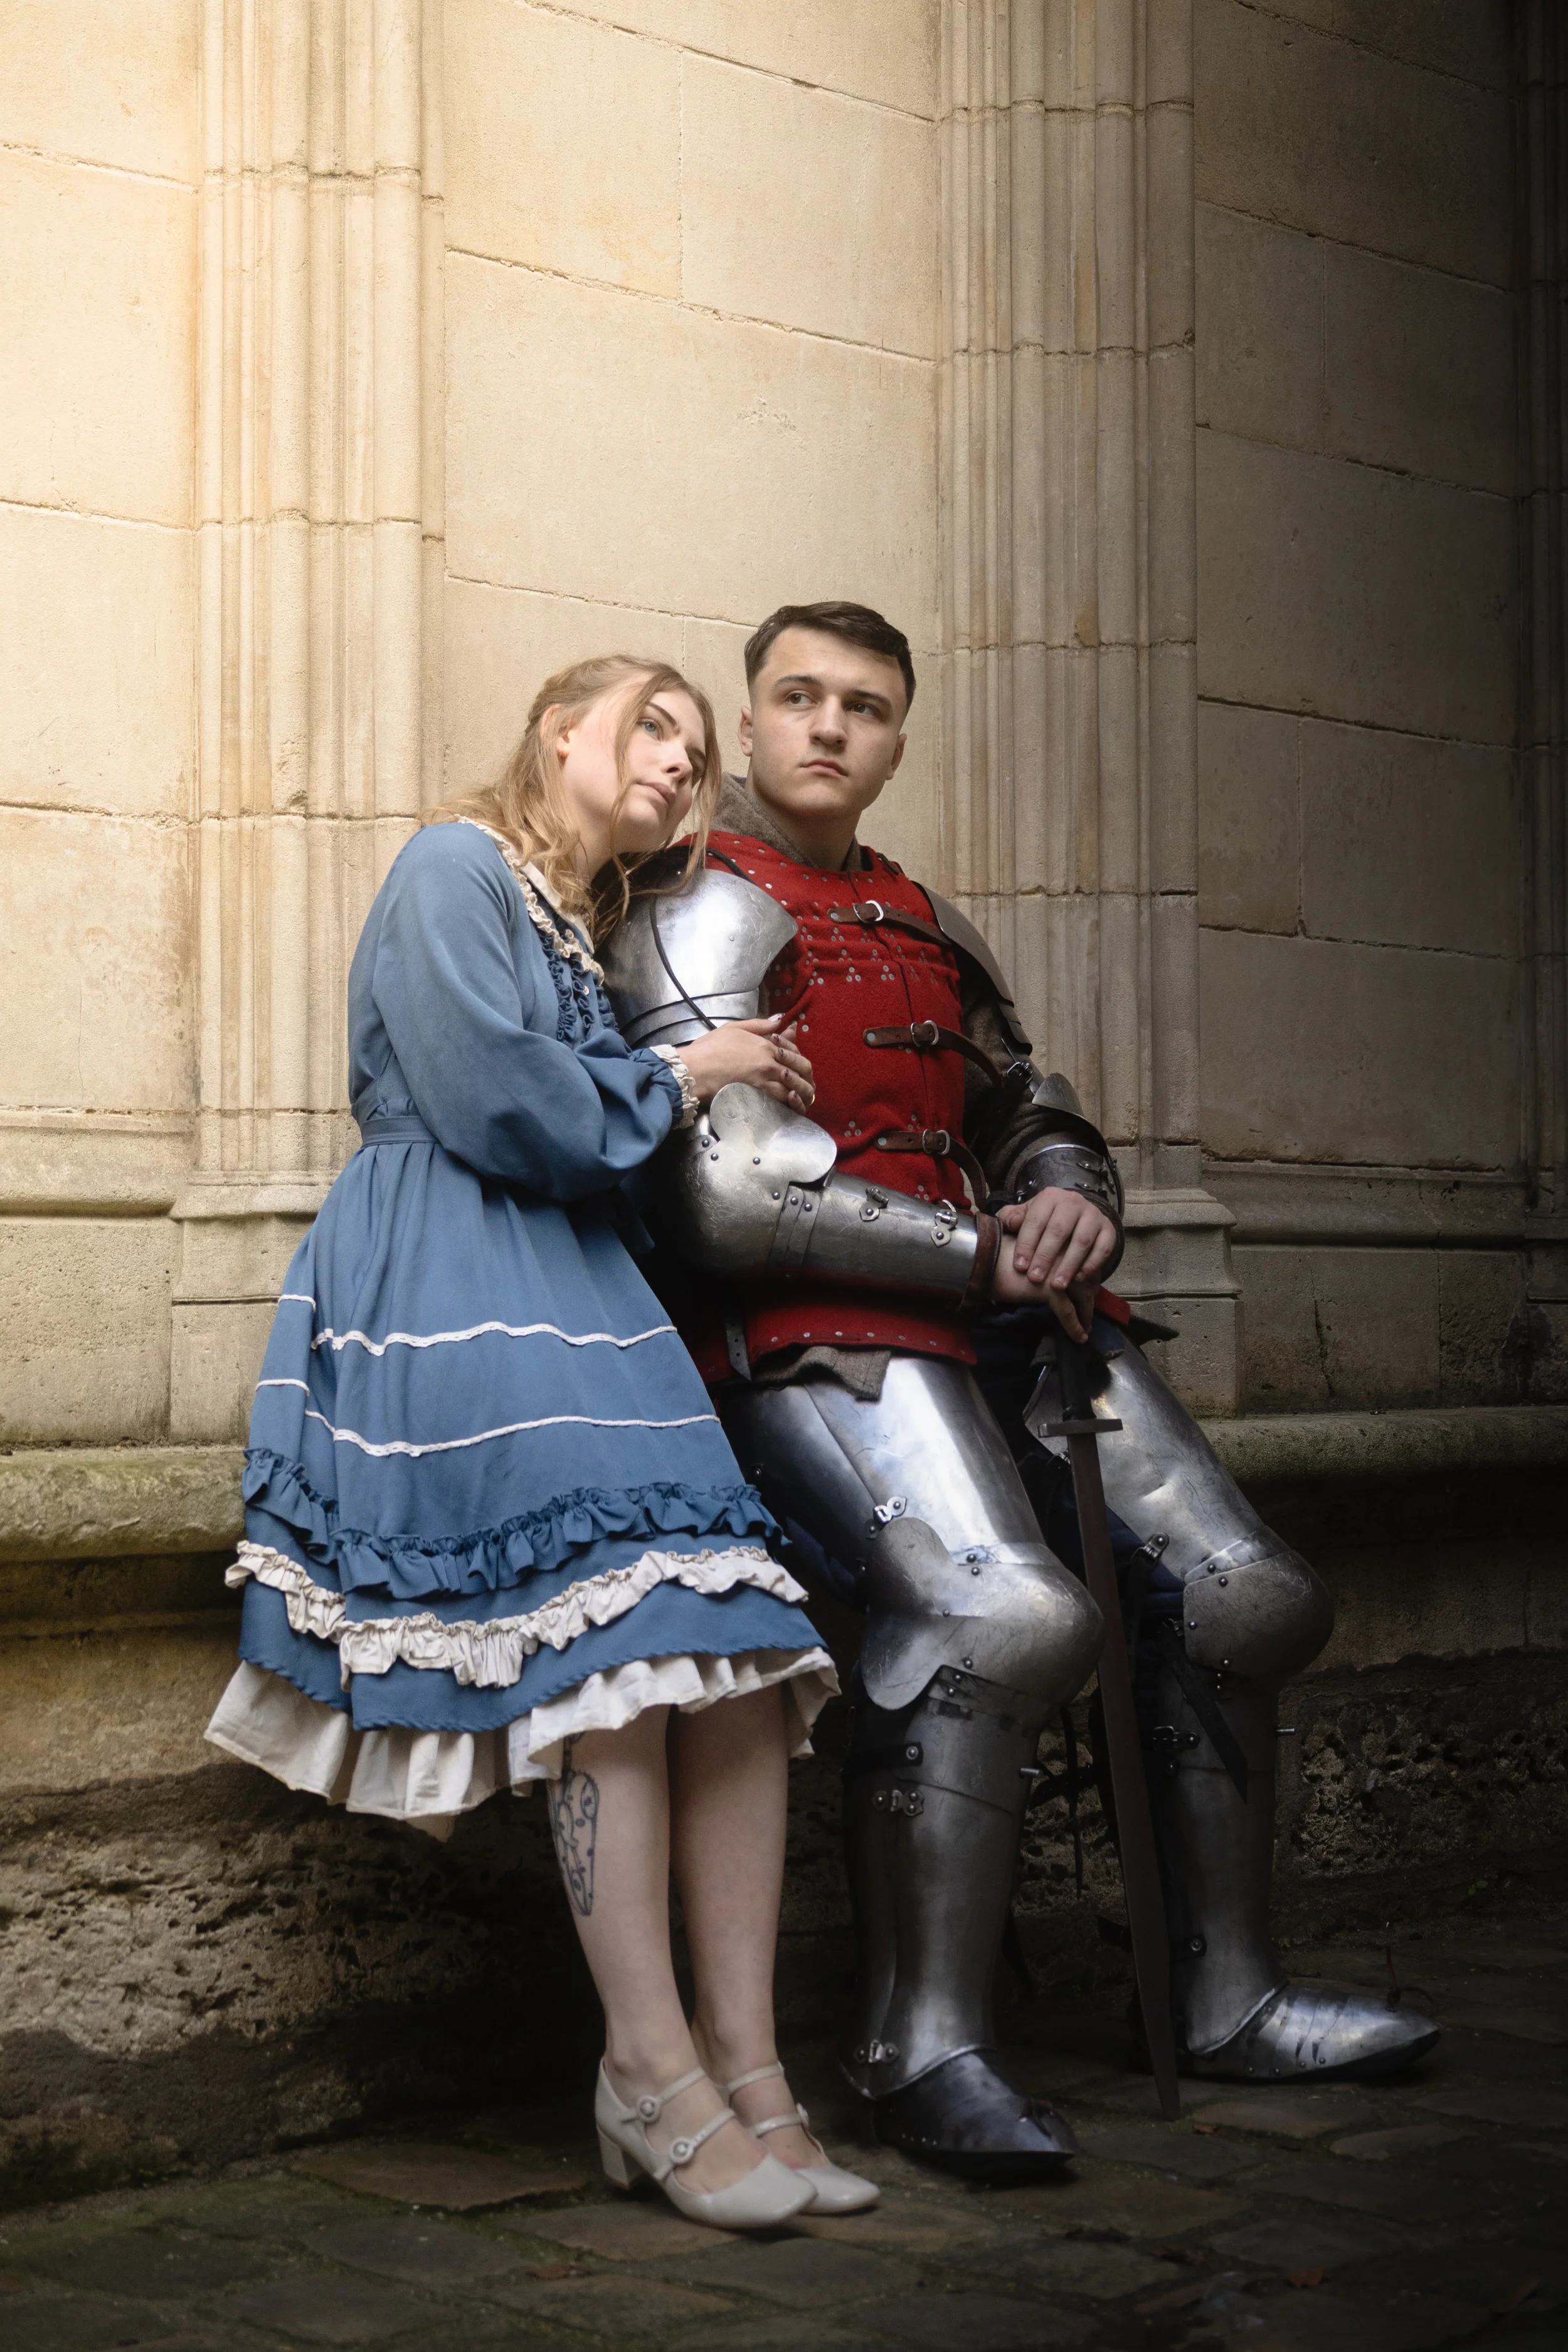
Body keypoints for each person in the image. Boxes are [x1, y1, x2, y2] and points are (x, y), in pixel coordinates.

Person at [603, 603, 1440, 2180]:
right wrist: (973, 1254)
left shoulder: (920, 913)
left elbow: (1027, 1102)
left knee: (1247, 1593)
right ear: (752, 718)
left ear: (898, 737)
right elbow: (717, 1204)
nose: (828, 727)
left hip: (1002, 1298)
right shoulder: (696, 901)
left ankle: (1225, 1996)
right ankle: (919, 2046)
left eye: (863, 704)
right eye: (797, 697)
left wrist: (1066, 1195)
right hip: (810, 1321)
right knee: (1000, 1617)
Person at [206, 652, 877, 2227]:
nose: (678, 761)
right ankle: (647, 2078)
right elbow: (497, 1104)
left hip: (586, 1293)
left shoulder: (589, 928)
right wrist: (679, 1068)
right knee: (614, 1659)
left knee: (735, 1652)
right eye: (651, 724)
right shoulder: (453, 865)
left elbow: (620, 1156)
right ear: (556, 734)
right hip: (450, 1274)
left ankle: (746, 2071)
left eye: (696, 752)